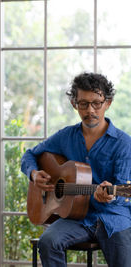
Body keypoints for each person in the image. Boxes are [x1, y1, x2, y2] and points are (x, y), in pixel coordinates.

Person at [21, 72, 131, 267]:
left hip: (113, 218)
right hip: (75, 218)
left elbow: (122, 193)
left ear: (108, 103)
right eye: (83, 104)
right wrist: (34, 173)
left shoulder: (123, 143)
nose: (90, 110)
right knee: (48, 242)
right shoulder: (65, 136)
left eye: (96, 103)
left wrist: (111, 195)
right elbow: (30, 155)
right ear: (74, 104)